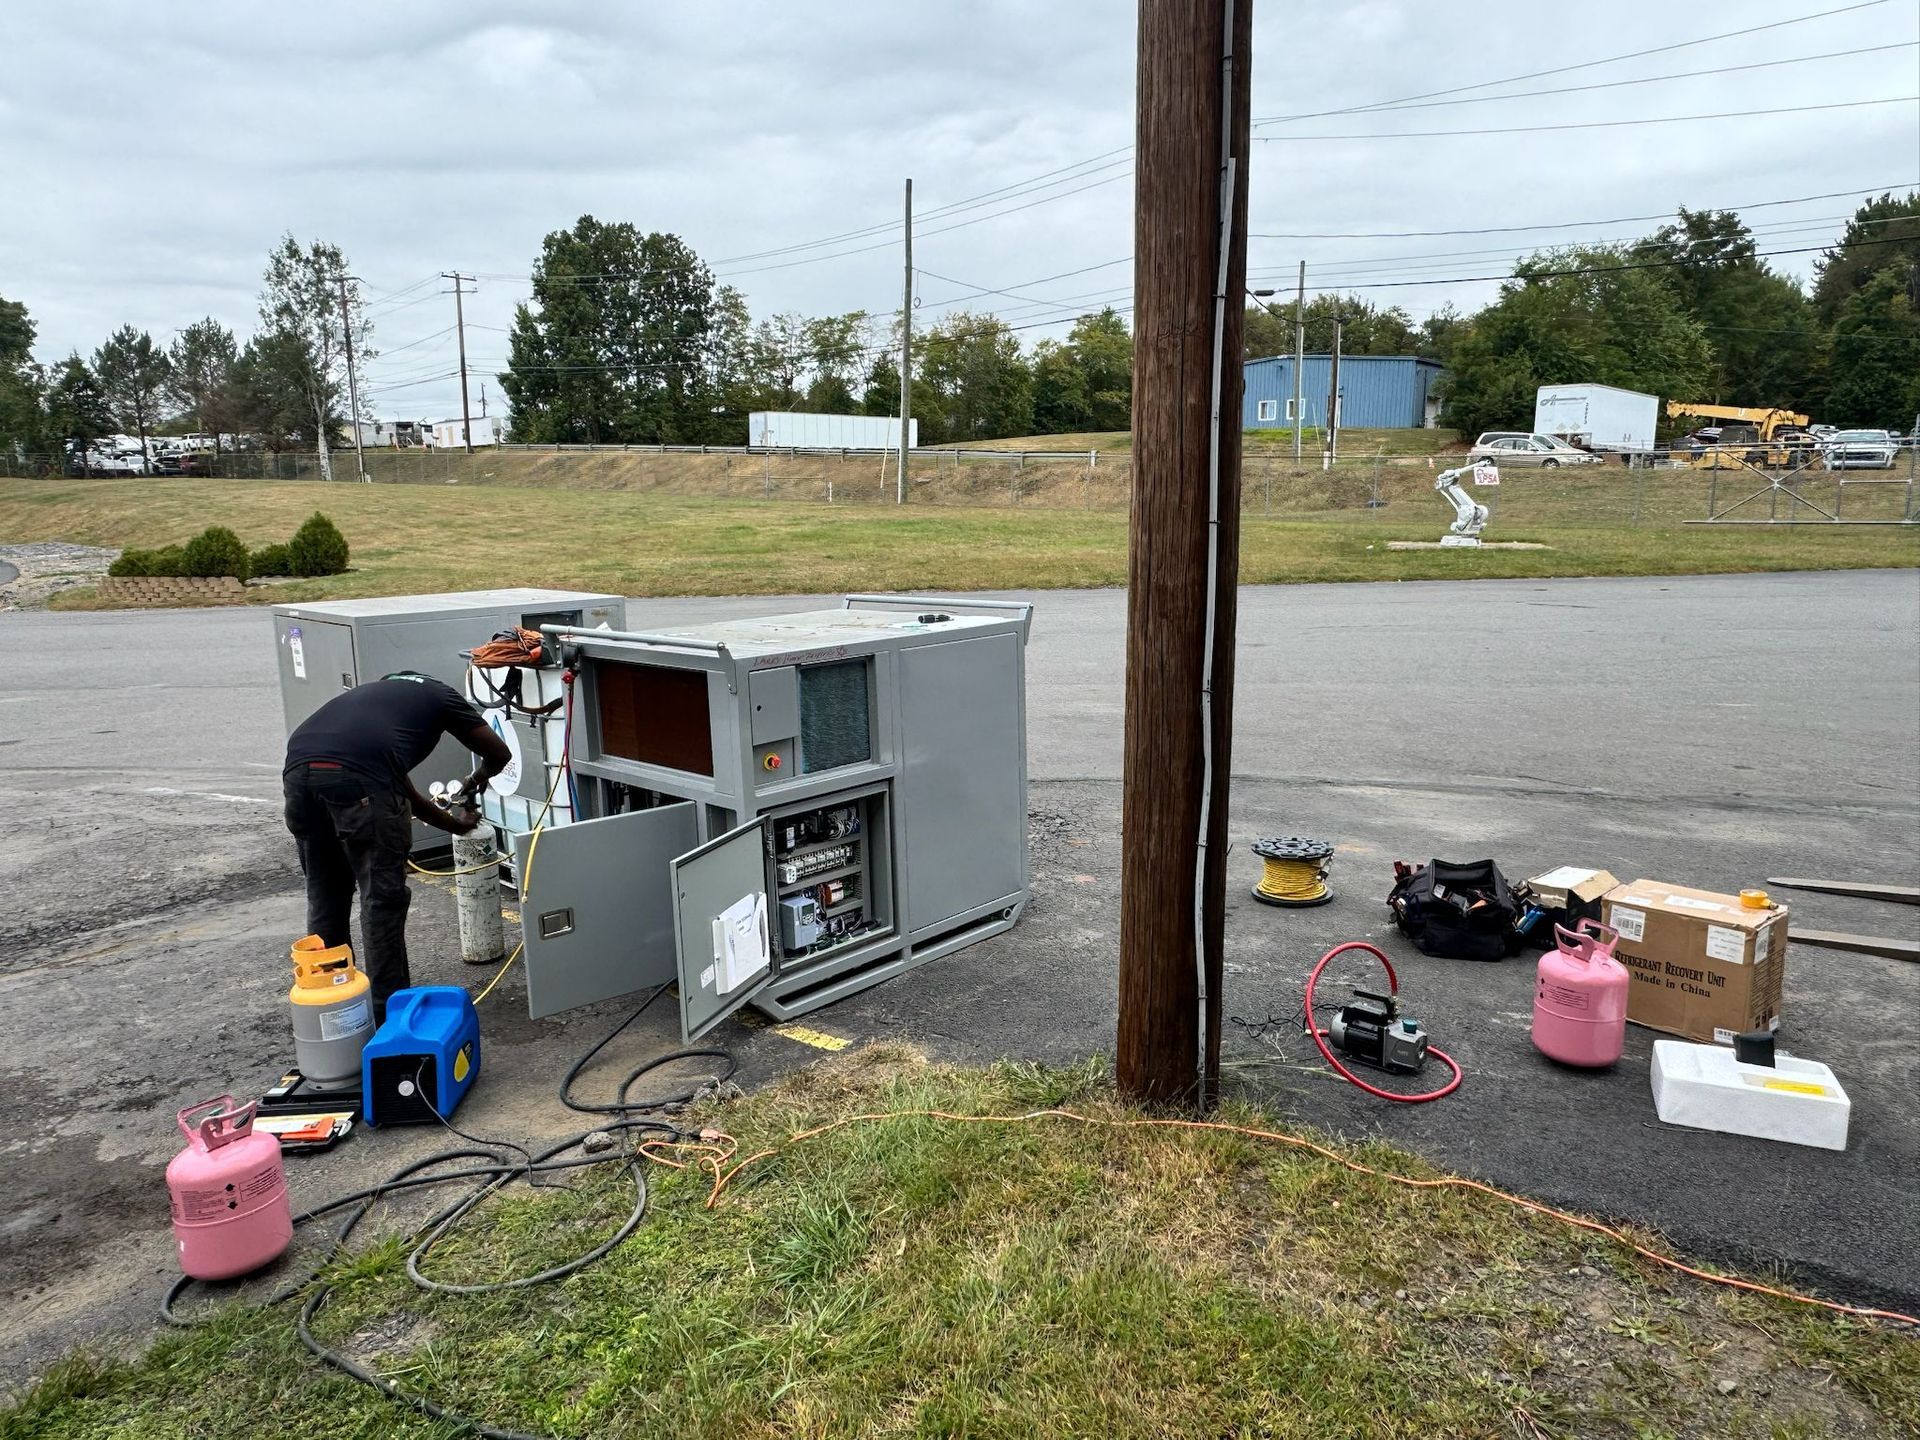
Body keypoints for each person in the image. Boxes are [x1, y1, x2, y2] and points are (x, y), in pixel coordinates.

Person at [283, 671, 512, 1021]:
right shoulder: (440, 694)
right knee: (381, 900)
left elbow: (405, 793)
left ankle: (332, 1009)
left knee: (326, 891)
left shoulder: (374, 707)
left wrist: (455, 825)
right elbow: (499, 754)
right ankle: (388, 1018)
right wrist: (475, 780)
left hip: (299, 772)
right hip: (358, 778)